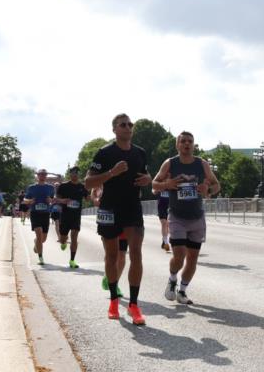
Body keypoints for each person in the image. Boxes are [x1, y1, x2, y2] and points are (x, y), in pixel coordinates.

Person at [85, 113, 152, 325]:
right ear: (114, 129)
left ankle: (133, 305)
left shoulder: (140, 152)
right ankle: (114, 300)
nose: (128, 127)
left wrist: (147, 179)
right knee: (112, 256)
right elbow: (88, 182)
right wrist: (112, 173)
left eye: (130, 124)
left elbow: (146, 175)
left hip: (132, 207)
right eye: (123, 125)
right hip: (109, 208)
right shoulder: (105, 153)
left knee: (136, 255)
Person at [152, 131, 221, 305]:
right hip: (177, 217)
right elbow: (153, 184)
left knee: (192, 259)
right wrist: (167, 184)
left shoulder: (202, 164)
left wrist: (208, 190)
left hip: (197, 218)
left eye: (190, 141)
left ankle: (182, 291)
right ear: (178, 145)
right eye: (183, 141)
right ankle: (172, 278)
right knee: (179, 255)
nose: (186, 144)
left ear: (193, 145)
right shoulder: (170, 163)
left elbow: (216, 185)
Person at [92, 185, 127, 298]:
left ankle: (114, 282)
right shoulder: (103, 177)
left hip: (123, 219)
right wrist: (95, 199)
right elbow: (93, 191)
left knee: (121, 256)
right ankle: (109, 275)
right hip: (107, 219)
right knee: (111, 254)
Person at [56, 167, 87, 268]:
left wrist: (96, 193)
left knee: (74, 237)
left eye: (77, 173)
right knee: (63, 239)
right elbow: (57, 199)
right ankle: (63, 242)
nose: (75, 174)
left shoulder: (82, 187)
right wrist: (63, 200)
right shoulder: (63, 186)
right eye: (73, 173)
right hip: (65, 216)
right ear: (70, 174)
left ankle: (72, 260)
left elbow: (88, 198)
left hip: (76, 217)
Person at [24, 169, 55, 265]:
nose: (42, 176)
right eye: (41, 174)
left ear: (46, 176)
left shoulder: (51, 188)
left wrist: (50, 200)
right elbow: (25, 199)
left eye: (44, 174)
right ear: (37, 176)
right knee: (38, 233)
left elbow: (53, 199)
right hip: (35, 213)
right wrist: (29, 201)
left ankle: (36, 243)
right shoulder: (31, 188)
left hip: (45, 213)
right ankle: (41, 258)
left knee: (43, 239)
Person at [156, 186, 171, 253]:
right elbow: (153, 191)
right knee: (164, 223)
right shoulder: (159, 181)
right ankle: (166, 243)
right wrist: (159, 188)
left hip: (170, 206)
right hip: (161, 207)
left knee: (167, 225)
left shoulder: (171, 182)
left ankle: (164, 240)